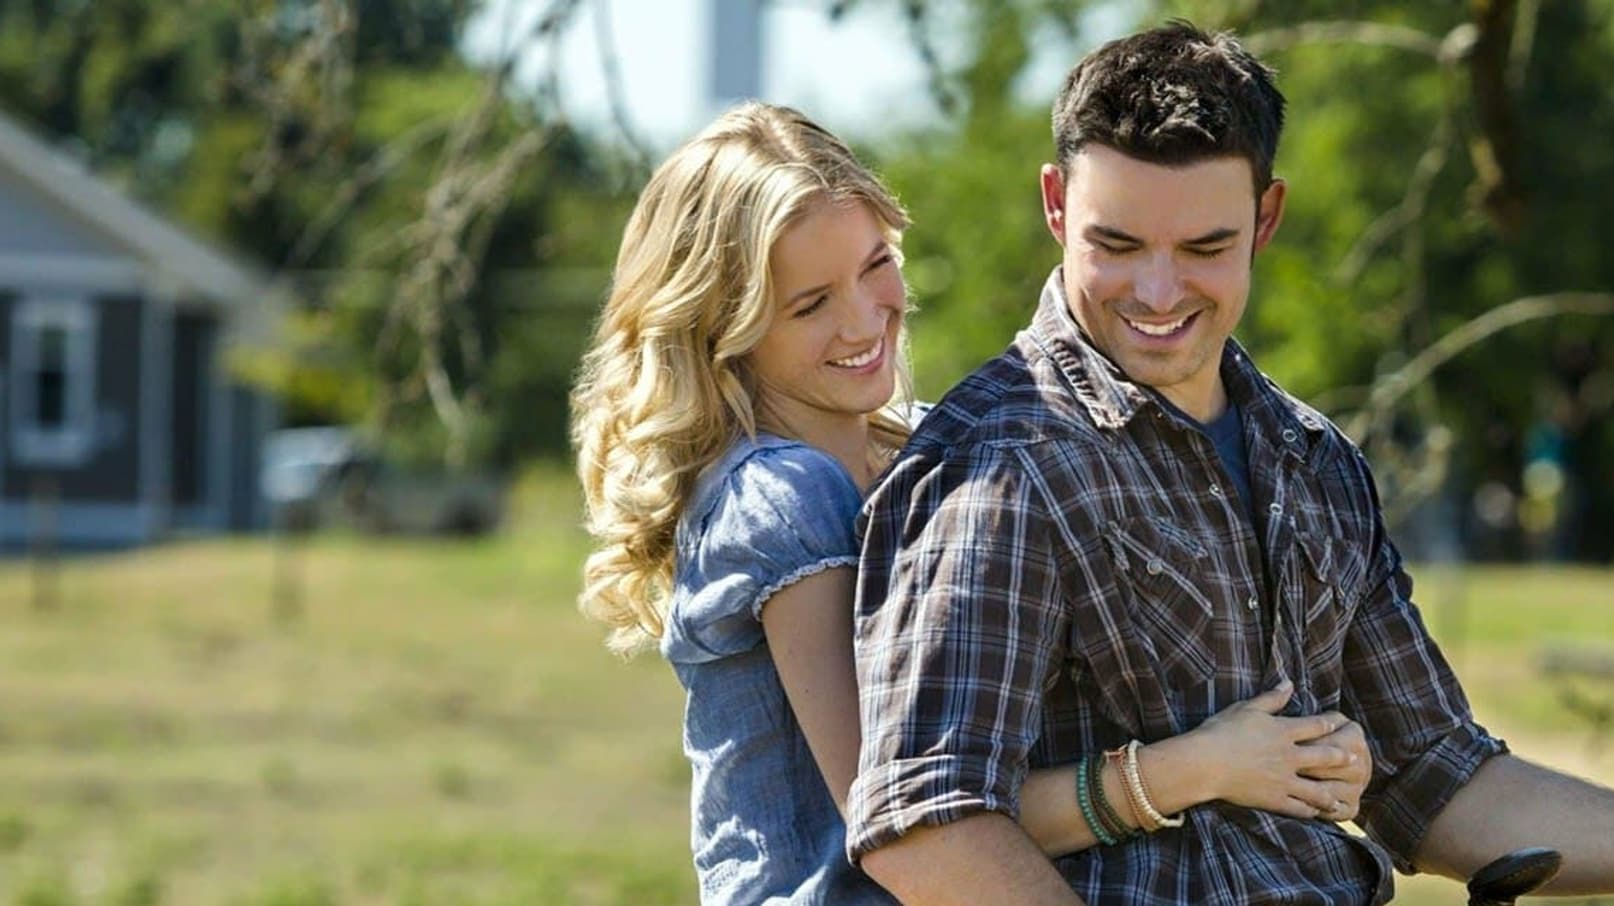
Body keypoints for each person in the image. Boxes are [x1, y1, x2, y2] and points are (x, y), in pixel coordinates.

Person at [848, 20, 1614, 906]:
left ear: (1266, 217)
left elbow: (1436, 778)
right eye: (1117, 245)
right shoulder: (999, 466)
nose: (1158, 293)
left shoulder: (1314, 461)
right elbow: (928, 829)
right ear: (1056, 205)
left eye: (1205, 249)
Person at [571, 101, 1370, 905]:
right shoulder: (783, 496)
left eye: (875, 265)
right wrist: (1192, 769)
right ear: (723, 324)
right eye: (810, 304)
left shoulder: (927, 446)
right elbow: (904, 823)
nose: (863, 319)